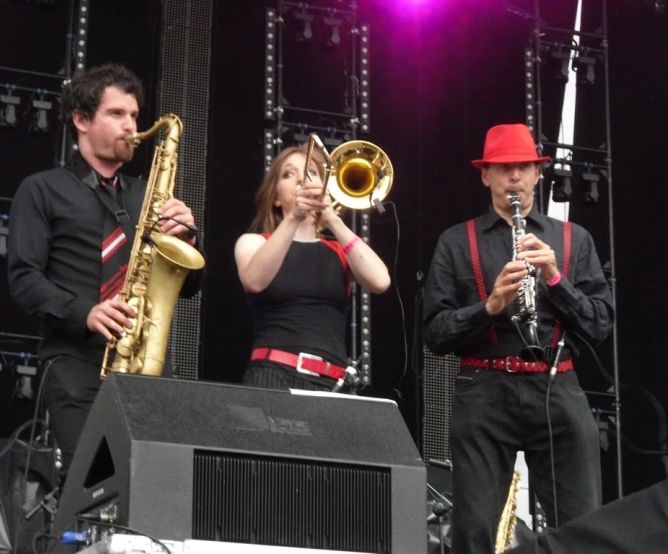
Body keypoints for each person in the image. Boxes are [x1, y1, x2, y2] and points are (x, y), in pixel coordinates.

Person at [421, 123, 614, 553]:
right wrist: (488, 308)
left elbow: (600, 324)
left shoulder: (572, 240)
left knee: (583, 526)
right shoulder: (456, 241)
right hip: (484, 389)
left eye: (523, 167)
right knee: (472, 530)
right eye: (504, 168)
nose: (514, 177)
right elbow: (435, 333)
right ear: (486, 175)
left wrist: (555, 278)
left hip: (556, 384)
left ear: (538, 173)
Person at [7, 64, 201, 484]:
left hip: (146, 365)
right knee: (92, 485)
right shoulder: (41, 189)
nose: (131, 125)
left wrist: (188, 237)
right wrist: (86, 312)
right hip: (76, 364)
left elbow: (190, 285)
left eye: (134, 115)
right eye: (117, 114)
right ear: (81, 120)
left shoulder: (147, 193)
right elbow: (24, 279)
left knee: (154, 486)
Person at [234, 142, 391, 391]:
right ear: (275, 197)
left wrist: (332, 219)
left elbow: (381, 281)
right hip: (273, 375)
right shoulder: (253, 242)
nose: (301, 180)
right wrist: (294, 216)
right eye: (288, 174)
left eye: (311, 173)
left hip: (333, 382)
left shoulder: (338, 251)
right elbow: (254, 280)